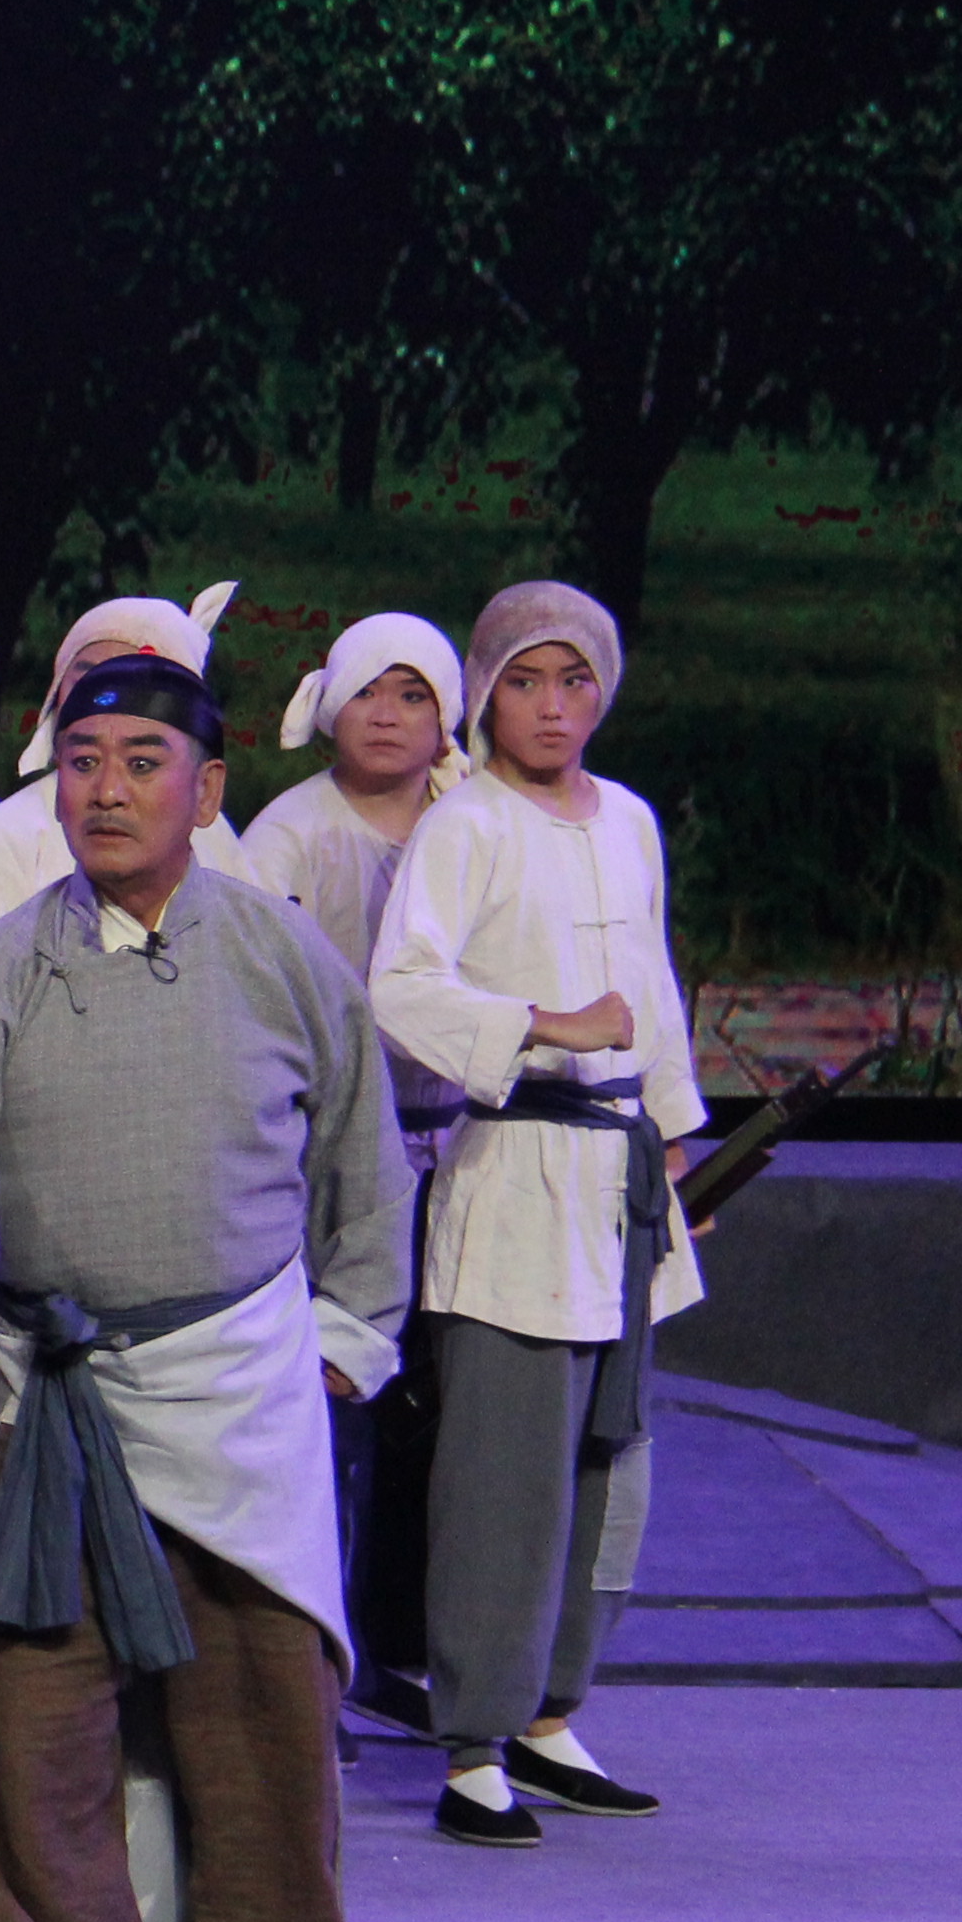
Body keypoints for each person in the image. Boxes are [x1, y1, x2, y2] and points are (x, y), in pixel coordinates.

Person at [0, 650, 426, 1922]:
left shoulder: (281, 954)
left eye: (141, 762)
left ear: (208, 787)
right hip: (48, 1397)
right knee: (33, 1717)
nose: (106, 790)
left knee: (269, 1706)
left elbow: (366, 1168)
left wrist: (346, 1341)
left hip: (239, 1392)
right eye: (82, 762)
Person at [369, 583, 706, 1848]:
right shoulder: (464, 826)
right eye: (524, 681)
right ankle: (473, 1742)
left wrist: (673, 1134)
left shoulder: (630, 820)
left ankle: (552, 1713)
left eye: (575, 681)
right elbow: (400, 985)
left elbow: (652, 985)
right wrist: (542, 1025)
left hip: (617, 1181)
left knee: (607, 1464)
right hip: (515, 1171)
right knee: (503, 1476)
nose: (552, 707)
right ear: (485, 693)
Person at [0, 586, 252, 961]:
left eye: (142, 765)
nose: (109, 794)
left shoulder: (217, 839)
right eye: (89, 678)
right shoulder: (10, 835)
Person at [249, 612, 472, 1153]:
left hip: (469, 1135)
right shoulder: (287, 836)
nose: (385, 717)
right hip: (328, 1137)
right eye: (364, 692)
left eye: (412, 696)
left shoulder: (475, 828)